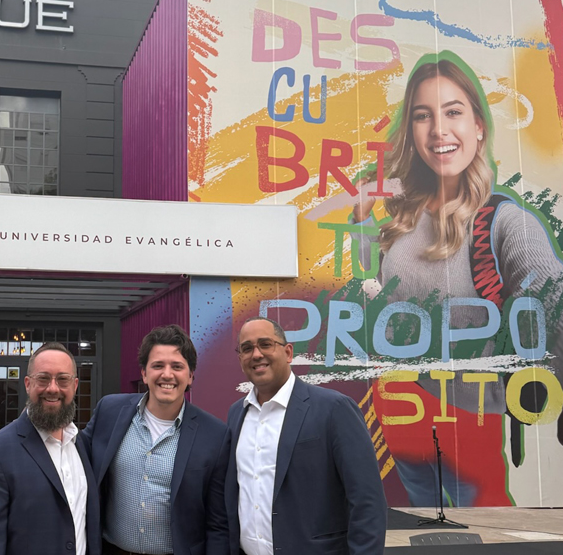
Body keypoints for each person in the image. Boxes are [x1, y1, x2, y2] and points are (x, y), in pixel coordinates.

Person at [352, 51, 563, 505]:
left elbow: (555, 312)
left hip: (472, 421)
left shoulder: (509, 223)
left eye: (453, 112)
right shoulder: (398, 215)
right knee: (427, 530)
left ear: (479, 126)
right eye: (422, 116)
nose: (439, 130)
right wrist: (362, 213)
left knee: (488, 532)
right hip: (400, 412)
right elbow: (370, 294)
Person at [225, 317, 386, 555]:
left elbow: (367, 501)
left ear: (288, 352)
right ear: (240, 359)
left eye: (266, 344)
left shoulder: (334, 409)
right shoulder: (236, 414)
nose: (256, 354)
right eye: (247, 348)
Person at [81, 324, 229, 555]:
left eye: (177, 367)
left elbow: (218, 521)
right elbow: (73, 456)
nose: (167, 374)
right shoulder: (109, 411)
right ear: (144, 373)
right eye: (158, 365)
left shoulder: (216, 436)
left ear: (190, 376)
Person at [0, 342, 101, 555]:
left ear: (75, 386)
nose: (53, 388)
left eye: (62, 379)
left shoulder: (81, 444)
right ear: (28, 384)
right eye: (43, 378)